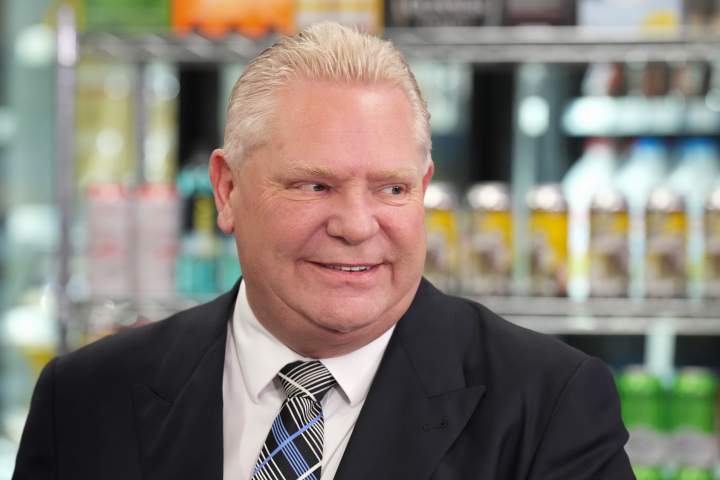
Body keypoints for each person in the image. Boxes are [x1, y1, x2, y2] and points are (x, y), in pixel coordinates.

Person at [13, 22, 634, 480]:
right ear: (227, 190)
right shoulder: (86, 398)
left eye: (391, 189)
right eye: (315, 186)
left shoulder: (548, 403)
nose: (357, 226)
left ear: (423, 190)